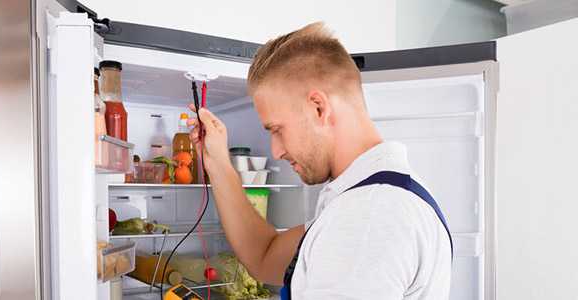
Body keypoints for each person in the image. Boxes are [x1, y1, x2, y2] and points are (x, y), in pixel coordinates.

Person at [187, 22, 452, 299]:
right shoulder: (375, 195)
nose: (275, 151)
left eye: (277, 129)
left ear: (318, 108)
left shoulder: (369, 215)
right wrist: (218, 162)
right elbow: (265, 255)